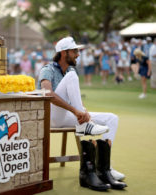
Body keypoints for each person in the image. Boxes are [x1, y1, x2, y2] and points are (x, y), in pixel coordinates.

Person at [38, 37, 126, 190]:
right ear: (64, 53)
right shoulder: (48, 69)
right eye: (75, 51)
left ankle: (104, 168)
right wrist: (77, 112)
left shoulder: (71, 69)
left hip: (70, 115)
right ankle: (85, 124)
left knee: (112, 118)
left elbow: (75, 97)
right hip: (51, 116)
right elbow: (47, 94)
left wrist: (83, 111)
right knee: (71, 77)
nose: (78, 54)